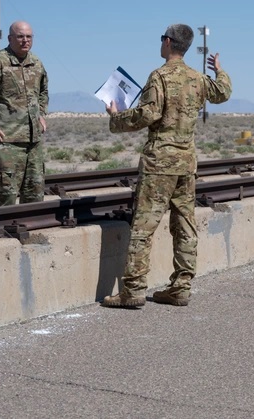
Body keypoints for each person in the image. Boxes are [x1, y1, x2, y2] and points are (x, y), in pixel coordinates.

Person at [102, 24, 232, 309]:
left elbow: (149, 114)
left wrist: (116, 117)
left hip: (160, 162)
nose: (160, 43)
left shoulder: (159, 76)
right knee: (185, 225)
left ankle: (133, 290)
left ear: (169, 42)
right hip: (186, 163)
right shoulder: (197, 77)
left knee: (143, 227)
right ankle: (180, 287)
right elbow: (223, 92)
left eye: (162, 39)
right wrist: (219, 69)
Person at [0, 21, 49, 206]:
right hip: (6, 141)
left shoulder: (36, 63)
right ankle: (4, 231)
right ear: (10, 38)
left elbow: (43, 91)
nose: (25, 40)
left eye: (29, 37)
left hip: (33, 142)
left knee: (35, 194)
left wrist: (41, 114)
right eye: (20, 36)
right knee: (7, 196)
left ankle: (32, 229)